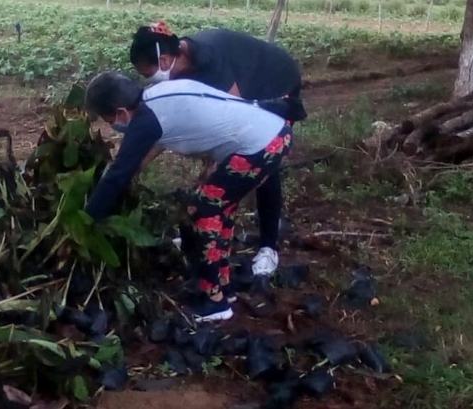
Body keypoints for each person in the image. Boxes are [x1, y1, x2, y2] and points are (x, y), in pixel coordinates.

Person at [83, 71, 294, 322]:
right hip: (273, 134)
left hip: (261, 145)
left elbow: (118, 173)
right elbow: (136, 159)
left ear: (120, 113)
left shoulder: (145, 120)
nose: (110, 126)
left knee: (204, 209)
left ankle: (215, 303)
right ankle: (223, 289)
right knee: (219, 209)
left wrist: (88, 217)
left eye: (107, 120)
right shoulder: (156, 96)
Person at [128, 21, 306, 278]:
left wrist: (211, 169)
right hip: (243, 84)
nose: (148, 81)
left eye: (147, 74)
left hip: (274, 80)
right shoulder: (177, 70)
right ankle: (214, 238)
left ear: (164, 60)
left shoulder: (210, 63)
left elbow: (232, 127)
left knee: (261, 158)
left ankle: (268, 248)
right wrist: (134, 166)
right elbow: (160, 127)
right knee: (221, 181)